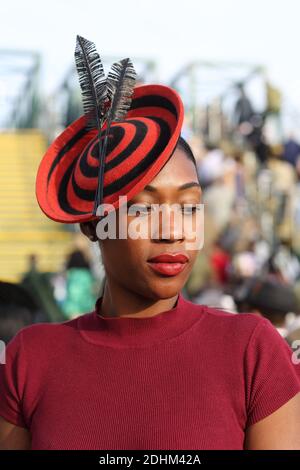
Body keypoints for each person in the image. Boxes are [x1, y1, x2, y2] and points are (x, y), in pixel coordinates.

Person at [1, 36, 300, 451]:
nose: (173, 230)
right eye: (142, 210)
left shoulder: (253, 351)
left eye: (190, 206)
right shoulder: (29, 360)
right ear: (93, 225)